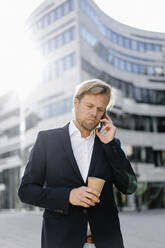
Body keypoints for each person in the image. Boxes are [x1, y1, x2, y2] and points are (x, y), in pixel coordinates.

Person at [18, 79, 137, 248]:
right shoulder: (47, 140)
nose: (94, 113)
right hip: (61, 241)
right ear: (76, 103)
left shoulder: (109, 144)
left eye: (100, 109)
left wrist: (110, 146)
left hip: (107, 242)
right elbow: (26, 191)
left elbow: (129, 187)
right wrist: (68, 196)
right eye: (89, 106)